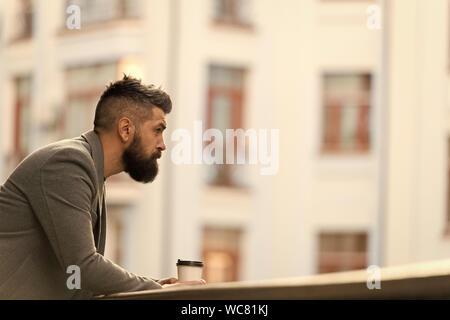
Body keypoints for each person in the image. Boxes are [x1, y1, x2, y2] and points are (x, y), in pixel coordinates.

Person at [0, 75, 205, 299]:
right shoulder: (68, 163)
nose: (163, 145)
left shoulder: (92, 172)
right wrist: (157, 291)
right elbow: (83, 268)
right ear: (126, 129)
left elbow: (75, 280)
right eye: (157, 130)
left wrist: (155, 286)